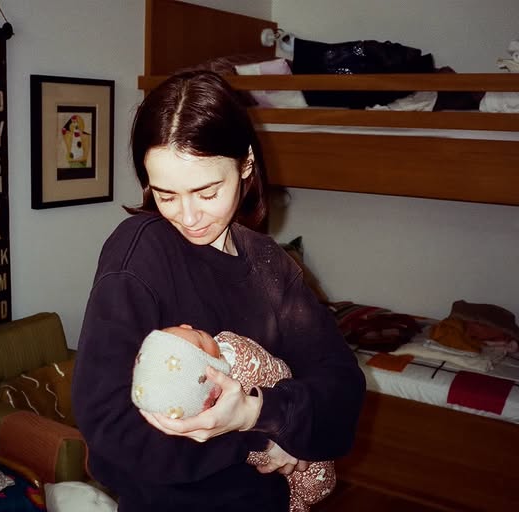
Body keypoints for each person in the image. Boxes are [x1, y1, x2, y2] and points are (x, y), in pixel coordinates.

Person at [72, 69, 366, 512]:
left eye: (207, 192)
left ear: (245, 164)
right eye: (166, 195)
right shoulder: (138, 255)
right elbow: (108, 427)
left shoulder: (268, 262)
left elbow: (342, 387)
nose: (188, 217)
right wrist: (256, 438)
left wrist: (257, 413)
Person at [131, 325, 337, 512]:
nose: (188, 326)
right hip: (256, 479)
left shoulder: (232, 350)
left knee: (314, 479)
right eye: (199, 338)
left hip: (296, 436)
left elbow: (279, 371)